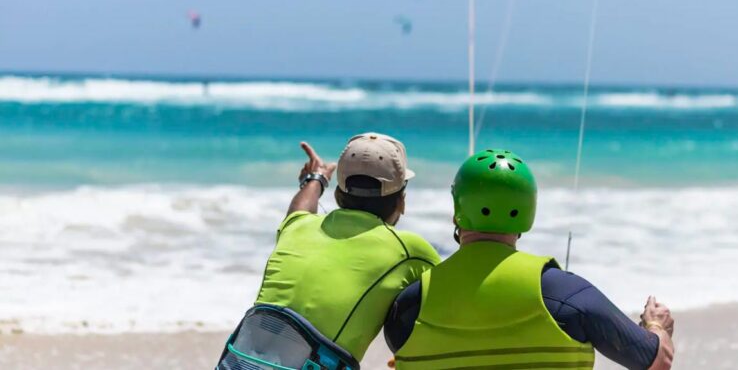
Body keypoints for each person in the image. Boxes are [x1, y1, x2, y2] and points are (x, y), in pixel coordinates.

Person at [385, 149, 675, 370]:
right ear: (528, 213)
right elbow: (654, 360)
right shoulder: (567, 294)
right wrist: (657, 326)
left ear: (456, 210)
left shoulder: (410, 305)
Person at [218, 133, 441, 370]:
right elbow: (458, 290)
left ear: (337, 194)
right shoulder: (410, 251)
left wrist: (316, 179)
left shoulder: (297, 228)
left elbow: (298, 211)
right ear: (401, 202)